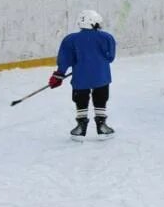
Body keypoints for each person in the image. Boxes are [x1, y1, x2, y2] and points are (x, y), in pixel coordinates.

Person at [49, 9, 116, 140]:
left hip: (80, 78)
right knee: (101, 98)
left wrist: (59, 75)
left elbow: (65, 59)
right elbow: (110, 57)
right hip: (101, 77)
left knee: (81, 99)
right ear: (94, 22)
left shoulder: (70, 39)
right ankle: (102, 127)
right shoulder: (107, 37)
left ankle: (80, 128)